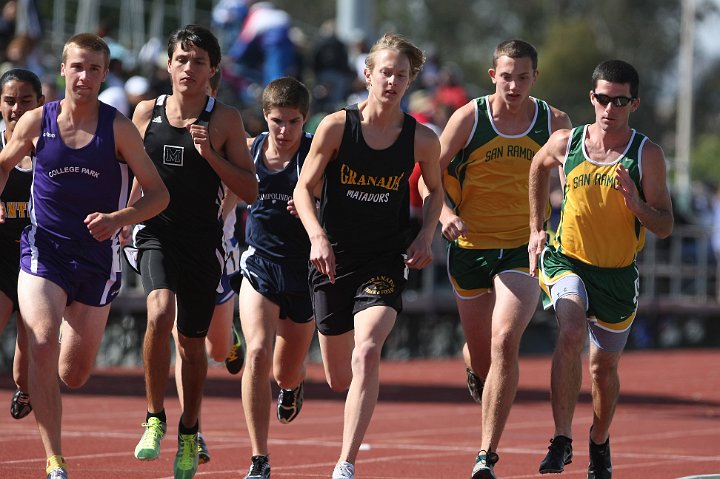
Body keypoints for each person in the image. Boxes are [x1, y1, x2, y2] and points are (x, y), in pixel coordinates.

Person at [0, 33, 169, 479]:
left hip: (96, 260)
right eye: (77, 66)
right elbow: (4, 162)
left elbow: (158, 194)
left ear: (105, 75)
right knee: (39, 340)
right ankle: (55, 459)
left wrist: (120, 218)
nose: (85, 76)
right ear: (63, 70)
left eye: (95, 69)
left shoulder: (118, 128)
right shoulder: (38, 121)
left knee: (73, 374)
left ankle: (38, 369)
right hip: (44, 250)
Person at [293, 33, 443, 479]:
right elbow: (304, 188)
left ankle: (345, 462)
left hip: (384, 260)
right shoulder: (338, 126)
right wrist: (317, 236)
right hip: (333, 258)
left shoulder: (421, 139)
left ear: (410, 79)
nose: (392, 81)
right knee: (339, 378)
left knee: (368, 353)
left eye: (402, 74)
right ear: (368, 74)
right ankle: (297, 381)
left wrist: (425, 236)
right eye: (385, 72)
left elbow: (436, 191)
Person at [432, 39, 571, 479]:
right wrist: (445, 214)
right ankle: (473, 365)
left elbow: (571, 179)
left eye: (523, 76)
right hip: (470, 246)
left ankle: (485, 457)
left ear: (535, 77)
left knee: (506, 338)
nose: (514, 84)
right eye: (506, 75)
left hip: (521, 247)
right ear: (493, 75)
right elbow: (427, 176)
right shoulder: (469, 119)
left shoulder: (554, 123)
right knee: (484, 356)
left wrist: (563, 207)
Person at [528, 60, 673, 478]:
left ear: (634, 103)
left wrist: (637, 205)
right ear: (592, 98)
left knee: (603, 370)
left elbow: (664, 225)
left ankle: (599, 441)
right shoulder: (567, 142)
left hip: (617, 275)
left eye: (620, 100)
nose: (610, 108)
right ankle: (561, 438)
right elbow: (537, 167)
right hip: (567, 259)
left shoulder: (647, 155)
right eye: (603, 99)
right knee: (570, 331)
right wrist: (536, 229)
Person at [129, 24, 257, 479]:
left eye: (198, 61)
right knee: (159, 311)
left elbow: (250, 189)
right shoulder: (145, 113)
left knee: (191, 344)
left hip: (203, 241)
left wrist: (213, 157)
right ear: (168, 65)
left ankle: (189, 430)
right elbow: (124, 173)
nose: (188, 68)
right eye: (181, 59)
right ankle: (153, 418)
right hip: (154, 232)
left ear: (213, 71)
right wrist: (122, 220)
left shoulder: (224, 120)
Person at [237, 76, 315, 479]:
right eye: (276, 122)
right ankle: (259, 458)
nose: (284, 131)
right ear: (264, 118)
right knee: (256, 353)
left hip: (304, 272)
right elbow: (230, 194)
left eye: (293, 122)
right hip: (259, 265)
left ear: (305, 120)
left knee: (286, 370)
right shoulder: (249, 151)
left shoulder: (316, 153)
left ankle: (293, 385)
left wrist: (313, 209)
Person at [168, 68, 246, 467]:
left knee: (215, 349)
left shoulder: (228, 135)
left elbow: (238, 190)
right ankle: (192, 430)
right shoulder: (167, 126)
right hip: (179, 249)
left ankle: (231, 338)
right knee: (185, 343)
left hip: (218, 252)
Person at [0, 68, 44, 421]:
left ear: (40, 103)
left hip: (38, 264)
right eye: (9, 101)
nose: (16, 108)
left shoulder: (52, 146)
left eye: (25, 101)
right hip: (2, 260)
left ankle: (26, 389)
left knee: (22, 371)